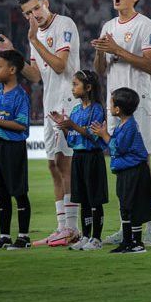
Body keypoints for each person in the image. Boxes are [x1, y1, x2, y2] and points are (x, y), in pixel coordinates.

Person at [0, 0, 81, 246]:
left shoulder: (64, 24)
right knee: (52, 165)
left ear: (46, 3)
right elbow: (35, 75)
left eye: (36, 9)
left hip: (68, 101)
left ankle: (72, 228)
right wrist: (13, 51)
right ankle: (61, 226)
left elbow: (60, 65)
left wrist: (35, 40)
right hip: (49, 103)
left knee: (65, 163)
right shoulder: (35, 36)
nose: (34, 15)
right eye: (28, 13)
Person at [93, 0, 151, 245]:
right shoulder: (108, 26)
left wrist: (116, 48)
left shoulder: (145, 25)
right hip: (114, 105)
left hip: (138, 104)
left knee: (143, 165)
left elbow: (149, 65)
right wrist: (100, 51)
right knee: (120, 166)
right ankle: (126, 226)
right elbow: (100, 70)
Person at [0, 50, 33, 251]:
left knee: (18, 191)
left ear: (12, 70)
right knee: (1, 193)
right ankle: (4, 236)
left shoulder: (20, 95)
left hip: (13, 147)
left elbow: (22, 125)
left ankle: (24, 236)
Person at [50, 70, 109, 251]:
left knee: (94, 200)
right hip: (78, 157)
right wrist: (64, 126)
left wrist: (72, 125)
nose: (73, 88)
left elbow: (93, 136)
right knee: (83, 199)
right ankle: (85, 236)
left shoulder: (97, 109)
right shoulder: (75, 110)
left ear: (88, 87)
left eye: (76, 84)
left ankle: (96, 238)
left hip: (93, 158)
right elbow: (73, 139)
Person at [93, 88, 151, 255]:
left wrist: (104, 135)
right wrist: (102, 135)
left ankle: (137, 242)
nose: (109, 107)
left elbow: (119, 148)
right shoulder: (123, 124)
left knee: (133, 206)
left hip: (134, 172)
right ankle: (127, 241)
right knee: (125, 206)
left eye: (111, 103)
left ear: (118, 109)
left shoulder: (130, 126)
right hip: (125, 172)